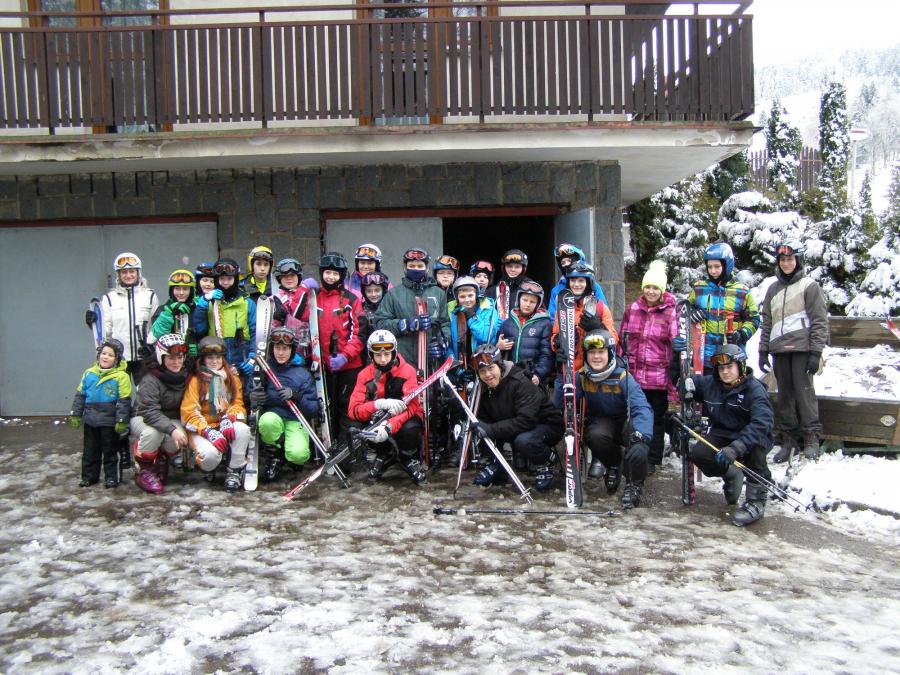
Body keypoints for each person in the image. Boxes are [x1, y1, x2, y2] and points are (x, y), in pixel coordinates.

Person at [674, 343, 774, 526]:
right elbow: (684, 381)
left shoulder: (754, 390)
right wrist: (678, 367)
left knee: (755, 453)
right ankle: (731, 473)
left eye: (730, 367)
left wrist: (736, 448)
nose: (725, 372)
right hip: (722, 433)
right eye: (721, 369)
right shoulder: (711, 384)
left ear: (740, 366)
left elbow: (762, 423)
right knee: (700, 454)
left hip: (749, 436)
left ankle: (756, 501)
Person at [555, 330, 654, 508]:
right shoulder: (582, 376)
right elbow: (561, 401)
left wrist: (642, 434)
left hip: (626, 421)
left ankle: (634, 484)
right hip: (602, 422)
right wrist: (560, 373)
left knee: (638, 445)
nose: (596, 357)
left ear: (610, 353)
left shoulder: (623, 376)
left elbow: (642, 407)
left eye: (601, 352)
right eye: (592, 352)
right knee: (595, 435)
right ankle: (614, 464)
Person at [758, 241, 829, 462]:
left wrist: (816, 352)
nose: (786, 263)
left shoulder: (809, 286)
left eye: (790, 259)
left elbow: (819, 321)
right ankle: (789, 439)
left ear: (797, 261)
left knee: (804, 394)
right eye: (782, 260)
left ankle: (811, 438)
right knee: (785, 396)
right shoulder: (773, 289)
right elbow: (767, 322)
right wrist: (763, 350)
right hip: (779, 350)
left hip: (802, 349)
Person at [468, 344, 564, 493]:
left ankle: (546, 461)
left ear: (500, 366)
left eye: (491, 368)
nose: (487, 375)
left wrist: (490, 430)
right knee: (479, 426)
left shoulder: (520, 382)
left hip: (545, 424)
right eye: (482, 371)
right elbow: (485, 419)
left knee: (524, 440)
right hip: (515, 424)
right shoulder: (483, 388)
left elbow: (526, 420)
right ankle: (497, 464)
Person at [618, 260, 678, 473]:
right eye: (648, 287)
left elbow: (675, 345)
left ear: (662, 290)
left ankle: (652, 459)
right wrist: (620, 367)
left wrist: (674, 379)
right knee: (634, 417)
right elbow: (622, 340)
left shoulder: (671, 312)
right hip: (635, 375)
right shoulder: (633, 309)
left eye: (655, 288)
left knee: (656, 419)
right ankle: (634, 454)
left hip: (658, 378)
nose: (651, 291)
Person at [348, 330, 426, 484]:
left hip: (404, 416)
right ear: (371, 355)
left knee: (410, 429)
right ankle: (384, 454)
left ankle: (408, 457)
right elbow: (353, 411)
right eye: (378, 355)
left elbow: (413, 407)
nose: (383, 359)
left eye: (387, 354)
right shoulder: (364, 375)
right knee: (359, 427)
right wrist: (377, 404)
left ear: (394, 352)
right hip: (378, 417)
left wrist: (389, 426)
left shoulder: (408, 371)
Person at [180, 336, 251, 492]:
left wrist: (229, 418)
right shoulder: (195, 381)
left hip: (223, 423)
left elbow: (238, 404)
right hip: (203, 427)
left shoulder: (232, 378)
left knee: (242, 430)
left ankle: (234, 470)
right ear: (203, 360)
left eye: (218, 358)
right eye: (210, 358)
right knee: (209, 456)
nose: (214, 361)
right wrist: (207, 431)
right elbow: (189, 412)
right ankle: (209, 467)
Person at [248, 327, 319, 482]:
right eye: (277, 348)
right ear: (272, 348)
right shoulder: (262, 369)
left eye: (285, 349)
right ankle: (275, 455)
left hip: (294, 418)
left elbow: (314, 409)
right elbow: (249, 393)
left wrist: (296, 396)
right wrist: (253, 397)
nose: (280, 353)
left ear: (292, 350)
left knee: (298, 455)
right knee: (267, 421)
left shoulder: (302, 374)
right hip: (273, 418)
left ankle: (290, 457)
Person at [130, 333, 190, 494]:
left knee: (177, 440)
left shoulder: (186, 375)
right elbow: (149, 411)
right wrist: (171, 429)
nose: (176, 362)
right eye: (171, 358)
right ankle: (144, 470)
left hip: (171, 418)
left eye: (180, 357)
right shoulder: (150, 379)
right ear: (161, 358)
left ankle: (161, 457)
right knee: (153, 434)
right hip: (143, 416)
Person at [686, 242, 760, 371]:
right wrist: (692, 313)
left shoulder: (742, 292)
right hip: (704, 357)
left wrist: (741, 334)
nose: (713, 271)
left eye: (717, 266)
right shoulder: (699, 289)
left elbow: (754, 319)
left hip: (732, 356)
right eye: (709, 267)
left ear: (727, 265)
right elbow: (684, 310)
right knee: (706, 384)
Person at [69, 337, 132, 488]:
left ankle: (112, 477)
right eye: (103, 353)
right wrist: (76, 414)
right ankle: (89, 477)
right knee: (90, 451)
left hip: (109, 422)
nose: (105, 357)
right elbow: (80, 395)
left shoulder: (121, 376)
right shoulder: (89, 373)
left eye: (110, 355)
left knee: (111, 451)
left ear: (117, 359)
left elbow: (124, 401)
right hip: (91, 420)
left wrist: (121, 421)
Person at [316, 252, 365, 444]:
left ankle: (346, 448)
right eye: (327, 272)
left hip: (348, 366)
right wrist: (303, 289)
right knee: (327, 406)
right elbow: (299, 315)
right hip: (323, 365)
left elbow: (360, 332)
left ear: (342, 276)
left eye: (335, 274)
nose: (331, 277)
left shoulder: (351, 299)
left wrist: (345, 356)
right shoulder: (314, 297)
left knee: (347, 406)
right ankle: (328, 444)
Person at [88, 251, 158, 382]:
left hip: (143, 356)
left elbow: (155, 325)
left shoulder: (150, 296)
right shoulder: (109, 298)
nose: (128, 275)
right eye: (124, 272)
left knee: (145, 392)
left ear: (138, 273)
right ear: (119, 275)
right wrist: (94, 323)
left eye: (132, 271)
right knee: (119, 392)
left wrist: (150, 344)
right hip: (119, 357)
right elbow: (106, 330)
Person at [374, 247, 450, 367]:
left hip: (431, 362)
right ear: (405, 268)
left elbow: (445, 324)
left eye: (420, 266)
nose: (416, 269)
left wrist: (442, 343)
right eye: (412, 266)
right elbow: (379, 323)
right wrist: (404, 324)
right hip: (402, 361)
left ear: (427, 268)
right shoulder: (393, 294)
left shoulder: (438, 293)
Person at [551, 261, 618, 375]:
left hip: (592, 369)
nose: (576, 284)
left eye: (581, 280)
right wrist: (556, 342)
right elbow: (554, 336)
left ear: (588, 283)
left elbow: (614, 340)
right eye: (573, 280)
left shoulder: (600, 307)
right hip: (567, 370)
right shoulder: (562, 308)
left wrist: (598, 328)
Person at [192, 258, 257, 372]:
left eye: (229, 279)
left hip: (242, 357)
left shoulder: (247, 302)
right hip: (216, 358)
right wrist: (203, 304)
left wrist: (253, 356)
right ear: (216, 279)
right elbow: (199, 329)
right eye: (222, 279)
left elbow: (255, 331)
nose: (225, 283)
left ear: (235, 279)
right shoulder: (209, 302)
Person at [496, 278, 554, 386]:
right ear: (519, 299)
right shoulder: (507, 323)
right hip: (510, 376)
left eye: (532, 302)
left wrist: (538, 374)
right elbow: (495, 354)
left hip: (531, 377)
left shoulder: (545, 324)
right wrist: (498, 347)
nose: (527, 304)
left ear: (538, 304)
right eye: (525, 300)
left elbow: (546, 355)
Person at [447, 276, 500, 362]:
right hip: (460, 361)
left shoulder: (488, 309)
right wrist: (453, 361)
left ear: (476, 295)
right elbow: (448, 341)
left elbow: (485, 338)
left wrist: (471, 317)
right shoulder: (452, 310)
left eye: (470, 295)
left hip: (482, 362)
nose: (467, 300)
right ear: (457, 298)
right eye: (462, 297)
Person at [547, 243, 608, 318]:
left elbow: (605, 314)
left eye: (569, 260)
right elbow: (552, 318)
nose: (566, 264)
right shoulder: (556, 291)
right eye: (563, 262)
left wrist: (597, 323)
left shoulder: (594, 287)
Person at [149, 269, 199, 356]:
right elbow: (154, 336)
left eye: (185, 289)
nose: (181, 293)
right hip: (170, 358)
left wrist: (200, 347)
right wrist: (168, 313)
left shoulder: (198, 309)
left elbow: (206, 333)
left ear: (191, 291)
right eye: (177, 288)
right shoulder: (162, 310)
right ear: (171, 291)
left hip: (193, 359)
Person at [271, 258, 311, 335]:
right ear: (279, 278)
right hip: (282, 340)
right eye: (285, 276)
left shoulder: (308, 296)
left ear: (298, 277)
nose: (289, 278)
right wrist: (276, 321)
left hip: (304, 340)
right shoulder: (273, 300)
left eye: (292, 275)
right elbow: (267, 330)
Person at [358, 272, 390, 363]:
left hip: (389, 354)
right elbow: (359, 337)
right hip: (368, 357)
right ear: (364, 292)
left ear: (384, 290)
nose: (373, 294)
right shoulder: (360, 309)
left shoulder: (390, 308)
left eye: (377, 290)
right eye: (369, 291)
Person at [488, 249, 529, 319]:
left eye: (517, 266)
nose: (513, 269)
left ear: (523, 268)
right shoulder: (492, 291)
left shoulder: (531, 288)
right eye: (509, 266)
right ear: (503, 267)